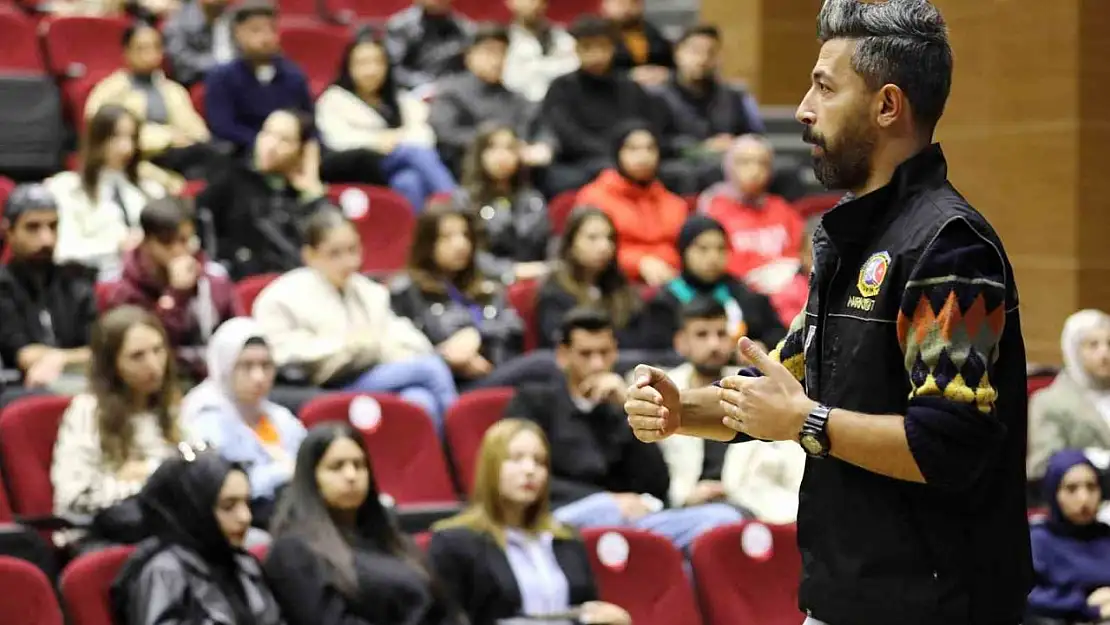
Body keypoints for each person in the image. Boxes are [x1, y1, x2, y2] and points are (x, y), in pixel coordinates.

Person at [623, 1, 1032, 624]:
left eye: (824, 87)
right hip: (843, 595)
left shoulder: (951, 247)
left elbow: (948, 447)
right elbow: (781, 390)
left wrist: (807, 423)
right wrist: (683, 410)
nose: (803, 110)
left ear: (887, 106)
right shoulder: (854, 240)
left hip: (935, 606)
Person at [509, 308, 741, 550]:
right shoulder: (532, 402)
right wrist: (605, 500)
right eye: (586, 354)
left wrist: (626, 412)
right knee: (606, 510)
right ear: (563, 356)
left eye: (604, 353)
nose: (597, 363)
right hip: (559, 518)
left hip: (631, 521)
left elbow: (657, 484)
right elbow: (516, 476)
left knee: (723, 519)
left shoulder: (619, 405)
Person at [254, 208, 458, 428]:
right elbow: (281, 355)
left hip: (371, 375)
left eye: (353, 250)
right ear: (309, 255)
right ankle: (464, 450)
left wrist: (372, 348)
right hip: (321, 388)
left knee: (420, 401)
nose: (349, 262)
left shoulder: (367, 291)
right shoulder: (281, 297)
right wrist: (351, 347)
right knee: (431, 368)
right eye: (335, 253)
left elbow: (406, 339)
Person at [428, 418, 631, 625]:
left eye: (539, 461)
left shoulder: (566, 539)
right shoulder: (453, 542)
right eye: (515, 459)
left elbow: (586, 607)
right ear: (491, 467)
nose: (529, 470)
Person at [265, 423, 464, 625]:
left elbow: (445, 610)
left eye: (359, 465)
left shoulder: (392, 541)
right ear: (311, 478)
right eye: (336, 467)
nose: (351, 476)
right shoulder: (293, 551)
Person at [658, 298, 804, 523]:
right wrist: (687, 498)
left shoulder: (758, 386)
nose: (714, 345)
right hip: (681, 509)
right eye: (702, 335)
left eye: (721, 334)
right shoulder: (664, 391)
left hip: (755, 512)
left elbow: (794, 468)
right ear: (681, 342)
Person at [50, 306, 182, 550]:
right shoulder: (88, 411)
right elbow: (73, 498)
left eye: (158, 350)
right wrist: (150, 479)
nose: (154, 365)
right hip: (102, 537)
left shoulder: (169, 405)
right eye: (137, 356)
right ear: (112, 365)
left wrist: (147, 472)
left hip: (164, 528)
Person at [110, 451, 286, 625]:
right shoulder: (164, 572)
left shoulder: (240, 562)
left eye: (247, 503)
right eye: (228, 506)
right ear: (194, 509)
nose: (245, 517)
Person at [181, 318, 306, 527]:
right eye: (246, 366)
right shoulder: (206, 416)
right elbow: (222, 486)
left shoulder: (278, 416)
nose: (259, 377)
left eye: (266, 365)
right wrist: (284, 472)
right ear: (225, 367)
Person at [107, 197, 243, 380]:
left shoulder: (213, 277)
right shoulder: (123, 290)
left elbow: (238, 330)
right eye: (167, 242)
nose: (179, 251)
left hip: (216, 375)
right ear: (147, 242)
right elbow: (148, 348)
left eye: (185, 240)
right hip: (159, 380)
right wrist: (176, 295)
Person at [315, 35, 457, 211]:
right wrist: (379, 141)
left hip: (396, 166)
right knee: (413, 152)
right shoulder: (333, 99)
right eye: (362, 63)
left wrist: (394, 139)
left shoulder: (399, 99)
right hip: (358, 165)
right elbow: (337, 139)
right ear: (349, 66)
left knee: (409, 181)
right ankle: (458, 206)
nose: (371, 70)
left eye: (378, 62)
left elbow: (425, 135)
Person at [390, 205, 525, 387]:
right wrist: (447, 359)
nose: (461, 244)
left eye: (465, 235)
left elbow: (515, 329)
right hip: (450, 382)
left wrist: (479, 336)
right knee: (546, 365)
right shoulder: (407, 292)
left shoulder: (484, 285)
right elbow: (402, 352)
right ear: (427, 243)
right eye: (447, 237)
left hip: (496, 373)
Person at [46, 105, 180, 281]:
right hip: (93, 281)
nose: (126, 147)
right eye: (116, 137)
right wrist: (117, 247)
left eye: (131, 138)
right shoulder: (65, 188)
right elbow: (63, 252)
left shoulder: (151, 190)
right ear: (96, 140)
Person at [539, 16, 666, 196]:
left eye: (602, 47)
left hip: (632, 158)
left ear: (612, 48)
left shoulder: (630, 88)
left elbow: (646, 127)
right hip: (581, 163)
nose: (596, 55)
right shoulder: (562, 88)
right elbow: (567, 135)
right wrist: (615, 155)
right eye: (588, 48)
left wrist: (631, 154)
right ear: (577, 49)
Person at [197, 108, 329, 280]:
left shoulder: (304, 195)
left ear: (302, 151)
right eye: (267, 133)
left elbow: (330, 246)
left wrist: (313, 192)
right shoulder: (230, 178)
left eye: (284, 140)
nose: (271, 145)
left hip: (296, 281)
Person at [84, 23, 218, 180]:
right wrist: (167, 138)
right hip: (138, 158)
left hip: (179, 155)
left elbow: (196, 130)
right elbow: (102, 134)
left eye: (156, 47)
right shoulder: (110, 90)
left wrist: (195, 139)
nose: (151, 54)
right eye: (142, 49)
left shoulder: (173, 89)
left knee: (218, 161)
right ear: (126, 52)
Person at [0, 184, 97, 395]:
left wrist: (59, 359)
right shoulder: (3, 286)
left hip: (80, 386)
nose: (47, 240)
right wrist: (74, 357)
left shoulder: (76, 282)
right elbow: (25, 356)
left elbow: (100, 352)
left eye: (53, 226)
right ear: (9, 231)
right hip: (20, 392)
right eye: (33, 227)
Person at [640, 214, 785, 353]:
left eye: (721, 249)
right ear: (683, 252)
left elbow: (778, 338)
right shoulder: (664, 303)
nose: (713, 257)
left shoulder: (745, 295)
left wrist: (761, 348)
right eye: (703, 249)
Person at [428, 24, 552, 175]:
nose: (497, 60)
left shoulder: (516, 98)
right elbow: (447, 133)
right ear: (469, 56)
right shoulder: (450, 92)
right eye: (489, 52)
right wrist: (496, 145)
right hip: (464, 167)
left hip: (515, 171)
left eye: (502, 53)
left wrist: (544, 145)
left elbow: (540, 127)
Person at [574, 121, 687, 286]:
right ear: (617, 153)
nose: (643, 156)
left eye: (650, 148)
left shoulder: (675, 203)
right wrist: (639, 263)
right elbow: (586, 250)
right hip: (614, 285)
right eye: (633, 149)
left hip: (673, 284)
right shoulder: (594, 198)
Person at [204, 0, 314, 156]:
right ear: (237, 34)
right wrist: (268, 145)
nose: (266, 37)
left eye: (272, 30)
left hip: (291, 153)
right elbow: (223, 127)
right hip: (242, 155)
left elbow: (308, 121)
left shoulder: (293, 75)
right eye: (256, 31)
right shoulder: (221, 77)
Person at [698, 135, 806, 292]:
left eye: (762, 163)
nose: (755, 171)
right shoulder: (712, 208)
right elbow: (711, 257)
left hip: (786, 290)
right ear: (728, 167)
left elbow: (800, 252)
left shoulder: (781, 207)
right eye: (744, 162)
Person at [535, 207, 645, 350]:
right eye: (592, 238)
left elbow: (638, 344)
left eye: (609, 238)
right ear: (571, 243)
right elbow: (558, 345)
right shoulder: (553, 291)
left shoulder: (622, 290)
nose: (604, 246)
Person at [1025, 449, 1110, 625]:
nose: (1084, 498)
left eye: (1092, 487)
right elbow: (1025, 598)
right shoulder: (1038, 542)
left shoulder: (1105, 536)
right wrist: (1084, 606)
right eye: (1071, 489)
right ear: (1053, 493)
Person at [459, 123, 550, 283]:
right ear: (479, 154)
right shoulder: (464, 200)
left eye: (509, 148)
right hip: (484, 281)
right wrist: (511, 270)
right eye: (493, 148)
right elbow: (466, 254)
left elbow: (546, 244)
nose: (502, 156)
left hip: (534, 279)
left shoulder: (533, 199)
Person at [1028, 310, 1110, 480]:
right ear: (1073, 350)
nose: (1105, 354)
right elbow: (1042, 466)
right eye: (1093, 345)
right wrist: (1091, 459)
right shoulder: (1049, 402)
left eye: (1109, 344)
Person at [383, 0, 473, 93]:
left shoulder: (464, 28)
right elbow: (394, 69)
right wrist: (429, 85)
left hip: (453, 91)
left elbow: (469, 70)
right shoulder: (400, 26)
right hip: (412, 92)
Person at [502, 0, 578, 103]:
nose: (532, 5)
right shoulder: (501, 38)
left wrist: (534, 67)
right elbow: (511, 80)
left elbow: (573, 65)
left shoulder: (561, 36)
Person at [162, 0, 235, 87]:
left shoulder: (235, 17)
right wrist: (220, 64)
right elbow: (181, 65)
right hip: (194, 84)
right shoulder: (177, 24)